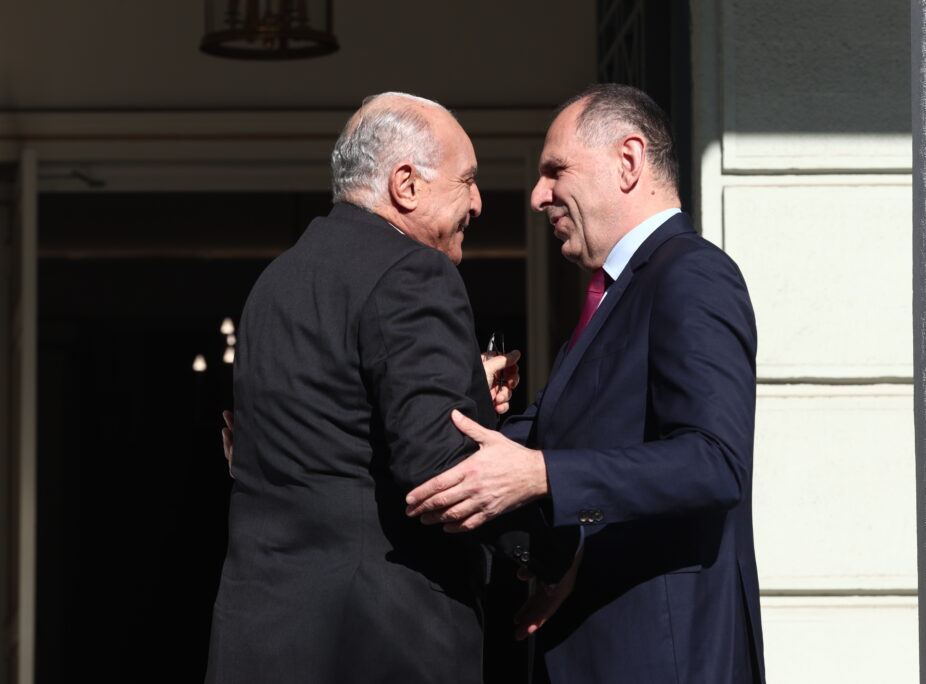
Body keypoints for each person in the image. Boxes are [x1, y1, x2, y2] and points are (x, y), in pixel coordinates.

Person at [205, 92, 575, 684]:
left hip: (264, 635)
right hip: (374, 641)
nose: (478, 202)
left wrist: (463, 389)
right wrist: (553, 553)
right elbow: (443, 473)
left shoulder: (278, 279)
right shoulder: (414, 271)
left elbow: (333, 425)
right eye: (467, 180)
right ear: (405, 185)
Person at [405, 84, 766, 683]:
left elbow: (715, 461)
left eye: (555, 171)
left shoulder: (691, 273)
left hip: (665, 661)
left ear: (629, 161)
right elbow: (562, 437)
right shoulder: (616, 293)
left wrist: (543, 474)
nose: (537, 195)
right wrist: (469, 403)